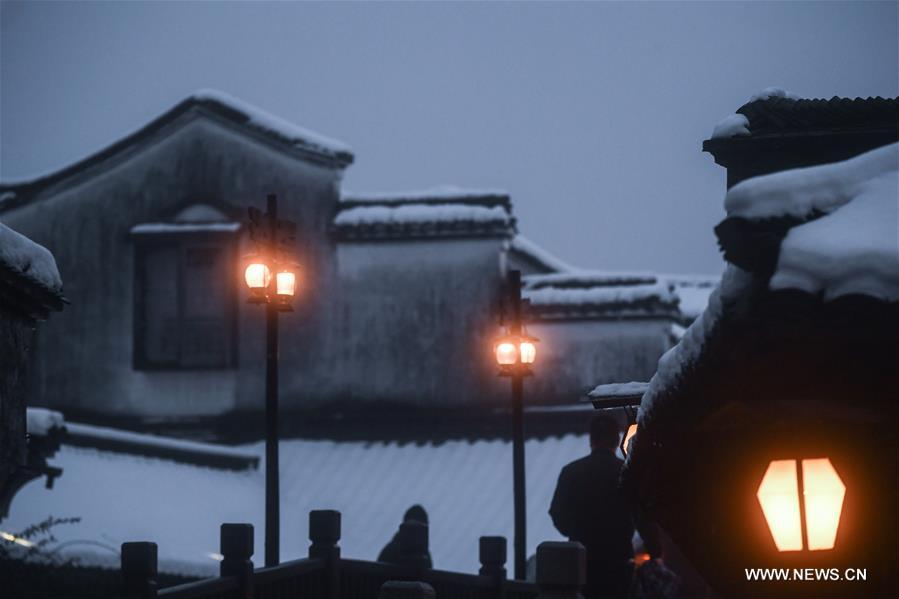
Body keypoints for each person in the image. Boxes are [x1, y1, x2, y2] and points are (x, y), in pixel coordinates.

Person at [549, 415, 634, 598]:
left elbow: (556, 513)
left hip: (580, 561)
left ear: (591, 440)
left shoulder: (571, 472)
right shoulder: (626, 472)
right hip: (618, 560)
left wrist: (575, 531)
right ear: (617, 439)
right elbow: (641, 513)